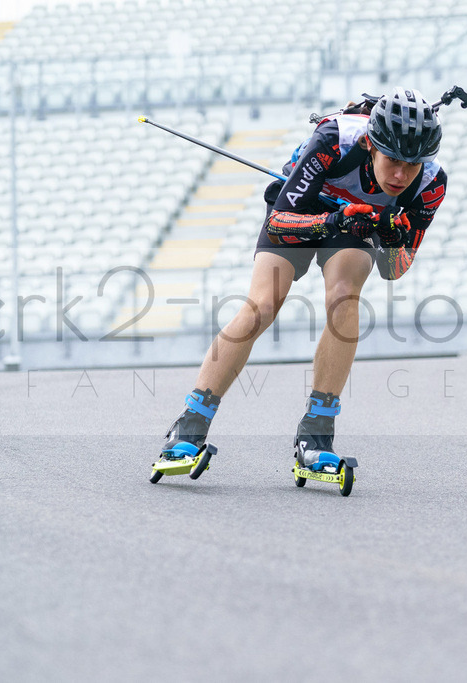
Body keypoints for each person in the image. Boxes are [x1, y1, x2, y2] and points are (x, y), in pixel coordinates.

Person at [158, 87, 448, 472]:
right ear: (372, 145)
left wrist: (390, 231)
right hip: (302, 210)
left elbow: (394, 269)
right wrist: (336, 219)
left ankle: (317, 432)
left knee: (344, 297)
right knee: (263, 303)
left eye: (412, 165)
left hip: (355, 223)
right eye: (393, 160)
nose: (400, 175)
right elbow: (279, 225)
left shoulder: (430, 183)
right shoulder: (334, 140)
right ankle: (190, 424)